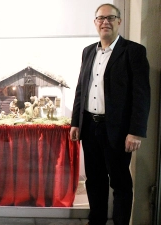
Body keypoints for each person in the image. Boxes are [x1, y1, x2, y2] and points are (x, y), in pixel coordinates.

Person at [70, 4, 150, 225]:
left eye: (110, 18)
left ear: (119, 22)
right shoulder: (88, 51)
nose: (105, 22)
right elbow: (81, 88)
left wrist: (135, 132)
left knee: (120, 182)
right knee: (94, 180)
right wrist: (76, 122)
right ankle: (96, 221)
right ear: (95, 22)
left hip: (118, 129)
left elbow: (141, 95)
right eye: (100, 18)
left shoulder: (133, 51)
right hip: (90, 126)